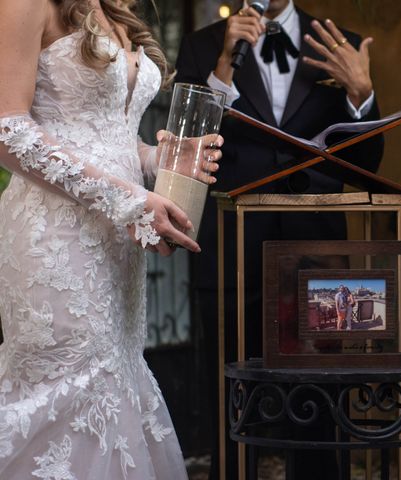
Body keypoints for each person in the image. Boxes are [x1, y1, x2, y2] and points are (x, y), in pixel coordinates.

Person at [0, 1, 222, 478]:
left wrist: (157, 158)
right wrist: (127, 201)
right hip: (55, 239)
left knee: (115, 379)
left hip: (118, 241)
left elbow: (111, 136)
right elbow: (8, 130)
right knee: (65, 391)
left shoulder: (113, 9)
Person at [175, 2, 383, 477]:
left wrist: (362, 94)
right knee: (230, 406)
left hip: (317, 255)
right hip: (230, 251)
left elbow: (367, 163)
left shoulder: (335, 41)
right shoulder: (202, 45)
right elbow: (187, 145)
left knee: (319, 406)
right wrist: (224, 63)